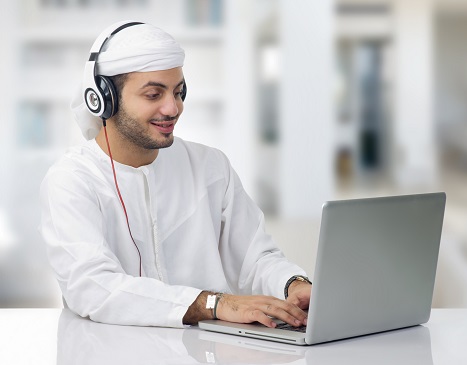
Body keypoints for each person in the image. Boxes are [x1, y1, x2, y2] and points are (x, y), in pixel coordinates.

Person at [39, 21, 312, 329]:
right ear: (104, 99)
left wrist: (293, 284)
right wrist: (214, 304)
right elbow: (92, 287)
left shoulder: (210, 166)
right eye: (154, 94)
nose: (173, 108)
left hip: (208, 353)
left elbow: (256, 258)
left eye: (178, 92)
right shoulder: (72, 180)